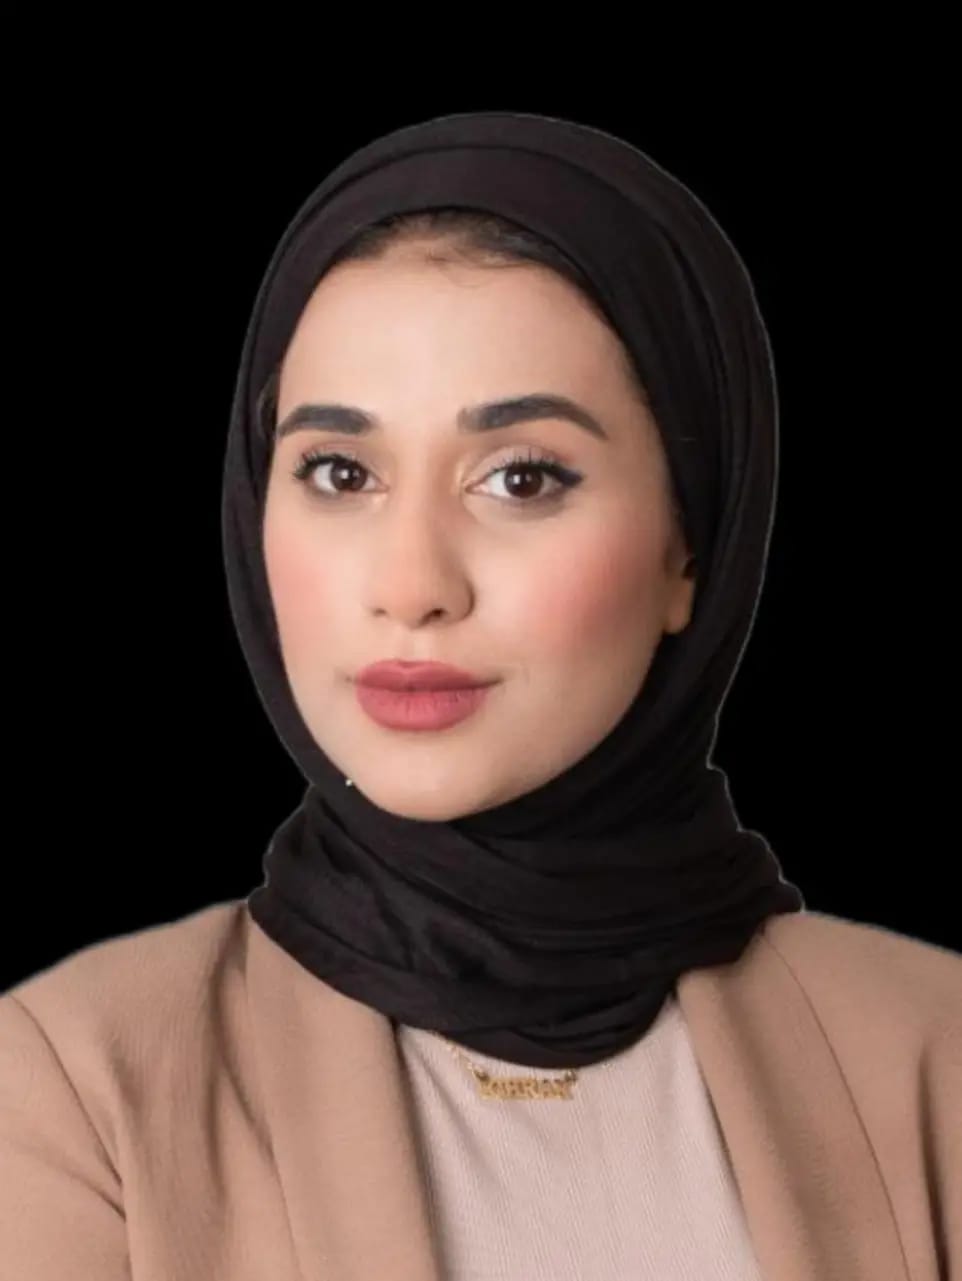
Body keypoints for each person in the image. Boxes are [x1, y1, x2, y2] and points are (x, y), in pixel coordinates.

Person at [1, 110, 958, 1281]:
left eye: (520, 478)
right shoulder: (78, 1085)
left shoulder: (936, 1062)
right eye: (339, 472)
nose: (412, 586)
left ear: (690, 549)